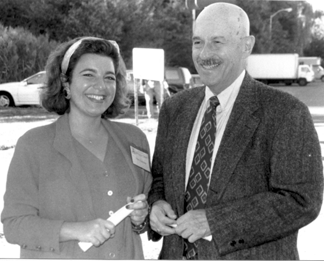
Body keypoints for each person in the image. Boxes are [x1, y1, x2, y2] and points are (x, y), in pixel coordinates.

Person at [148, 3, 323, 260]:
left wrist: (215, 222)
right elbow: (160, 178)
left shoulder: (286, 112)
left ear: (246, 45)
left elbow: (301, 200)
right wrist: (157, 204)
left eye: (217, 42)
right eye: (198, 42)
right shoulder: (174, 109)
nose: (204, 53)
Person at [1, 37, 152, 259]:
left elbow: (146, 210)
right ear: (66, 83)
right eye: (88, 75)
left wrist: (141, 218)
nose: (100, 86)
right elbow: (14, 226)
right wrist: (73, 230)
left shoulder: (134, 140)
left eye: (109, 77)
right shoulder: (33, 145)